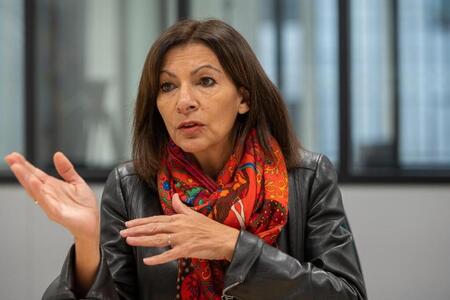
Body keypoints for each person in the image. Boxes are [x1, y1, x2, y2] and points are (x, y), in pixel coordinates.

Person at [4, 19, 367, 300]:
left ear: (244, 98)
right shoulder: (131, 187)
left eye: (205, 81)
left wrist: (231, 245)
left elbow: (346, 293)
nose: (184, 101)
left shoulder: (306, 176)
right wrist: (87, 242)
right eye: (167, 86)